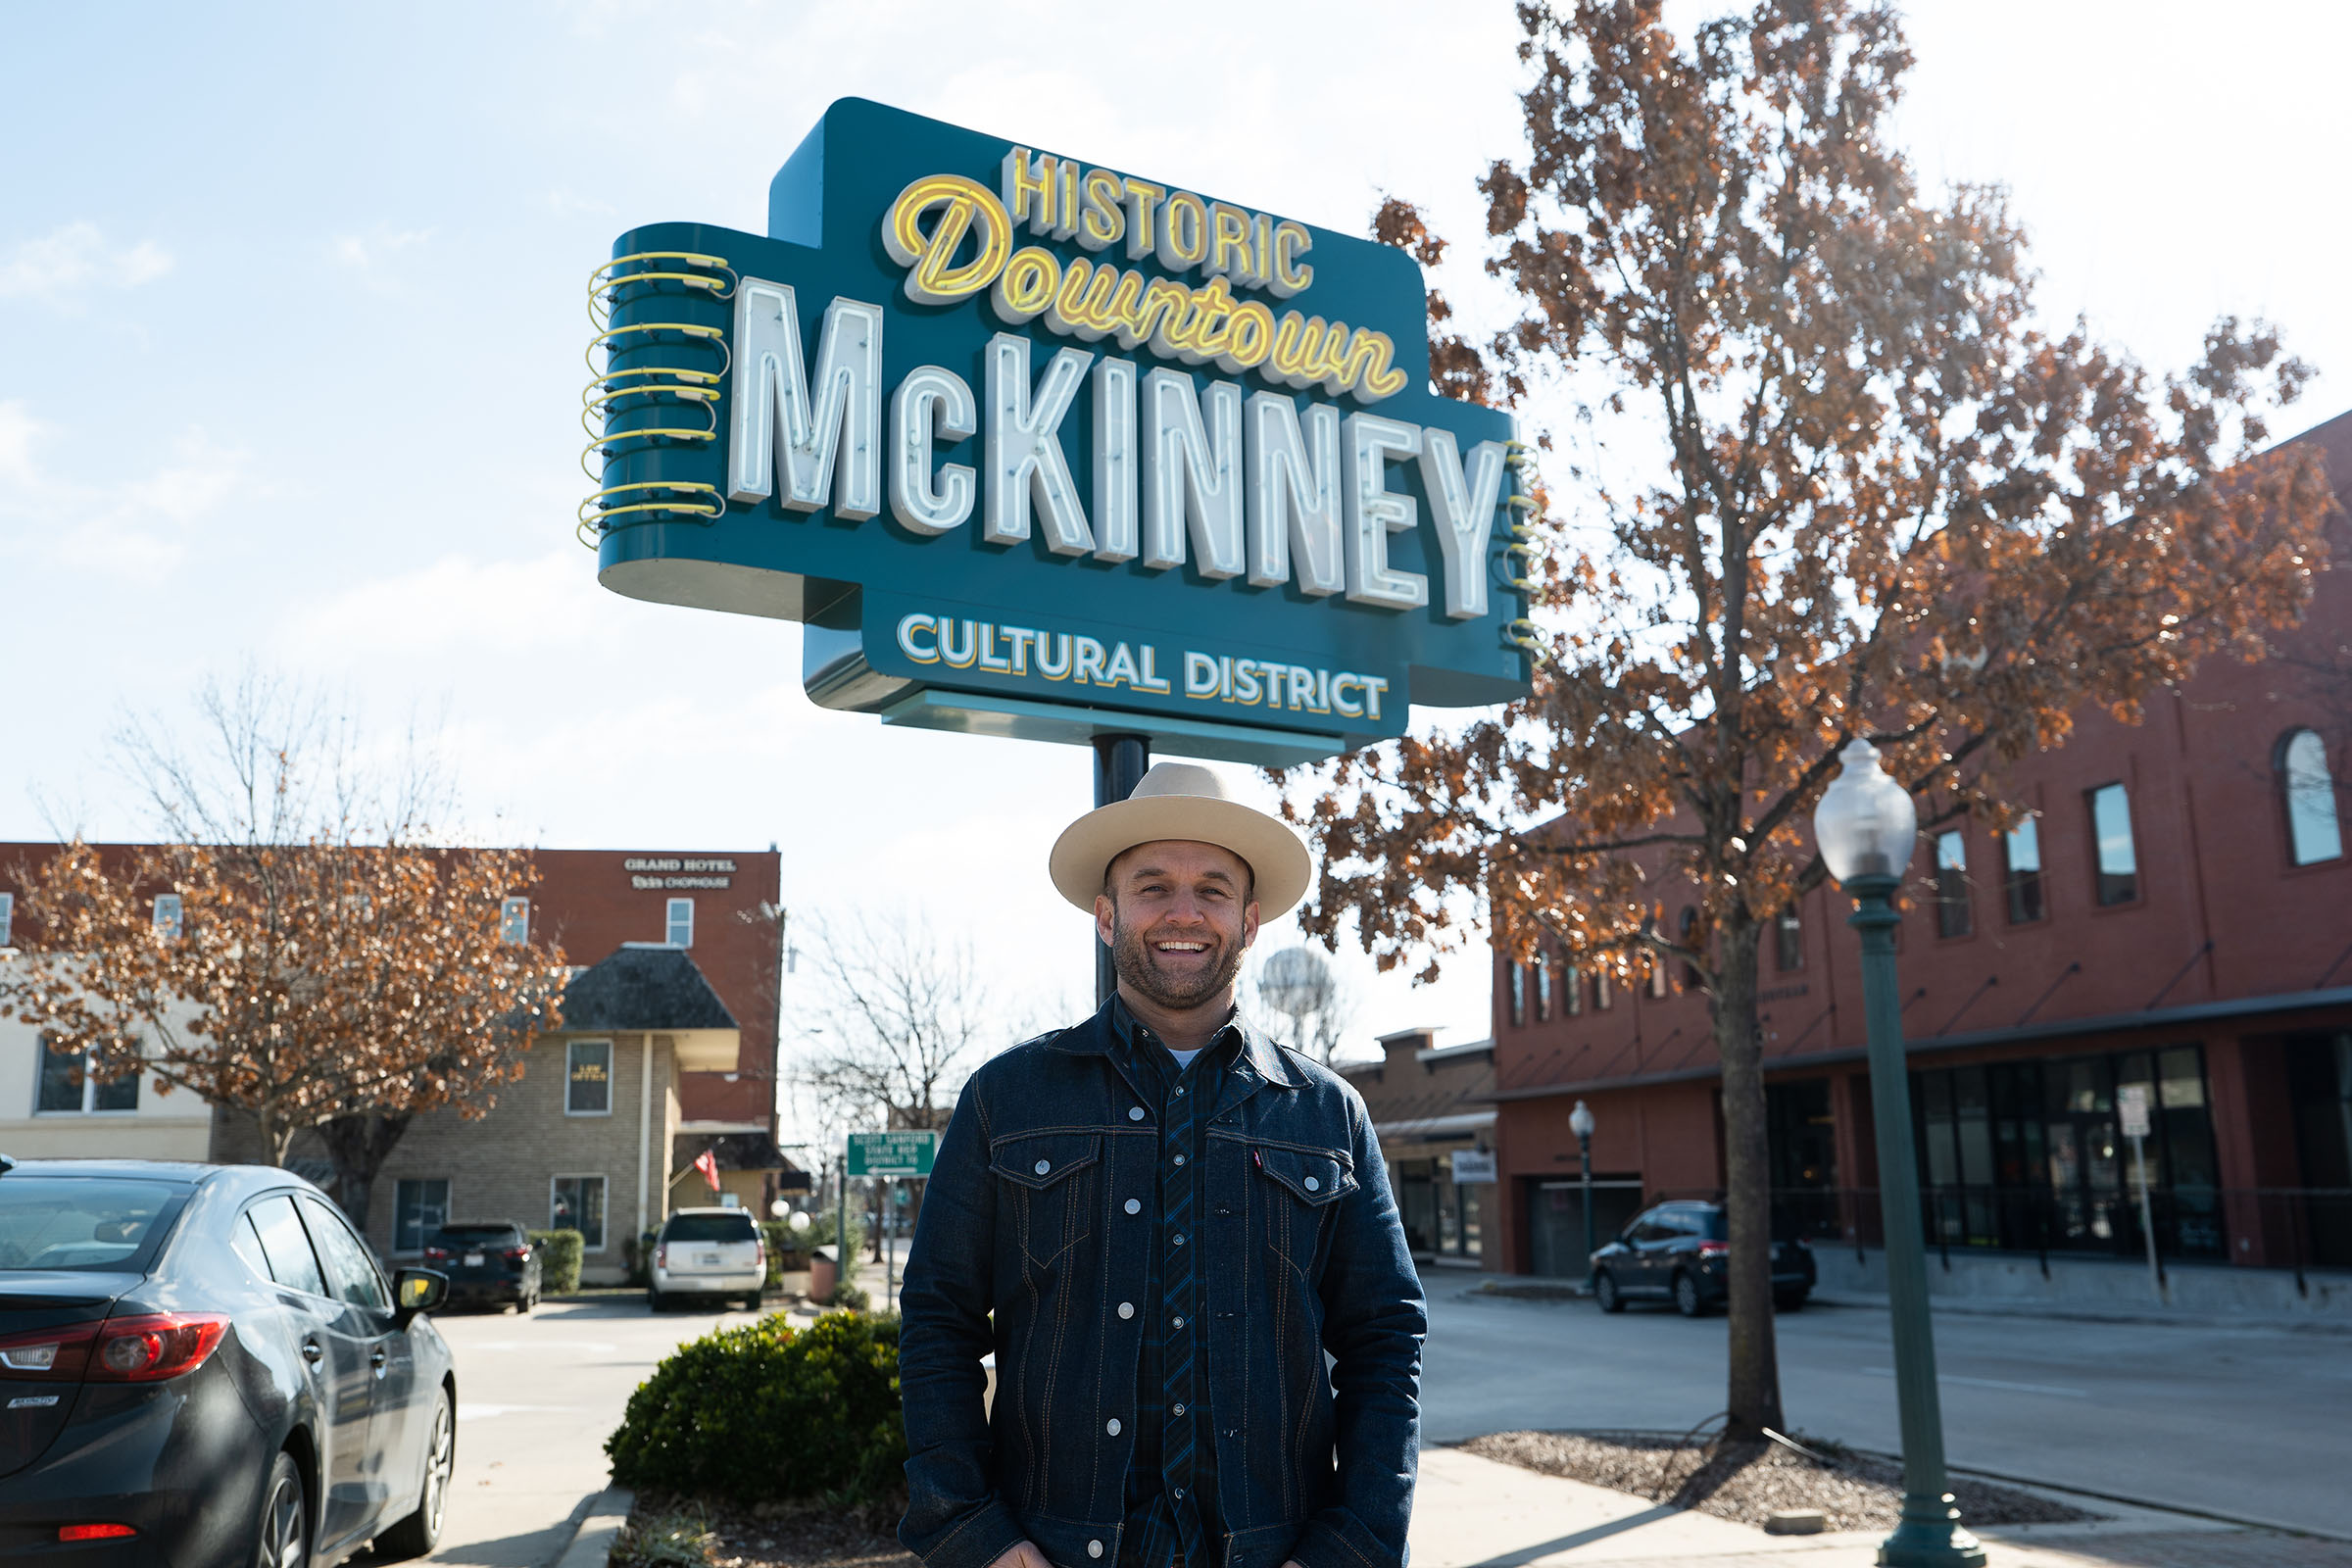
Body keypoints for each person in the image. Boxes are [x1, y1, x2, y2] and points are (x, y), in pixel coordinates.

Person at [898, 761, 1426, 1568]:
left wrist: (1350, 1546)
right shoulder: (1006, 1101)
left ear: (1249, 922)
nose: (1185, 913)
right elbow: (938, 1325)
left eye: (1213, 890)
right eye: (1153, 887)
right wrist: (976, 1536)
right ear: (1106, 918)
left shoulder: (1327, 1116)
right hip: (1052, 1550)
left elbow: (1386, 1342)